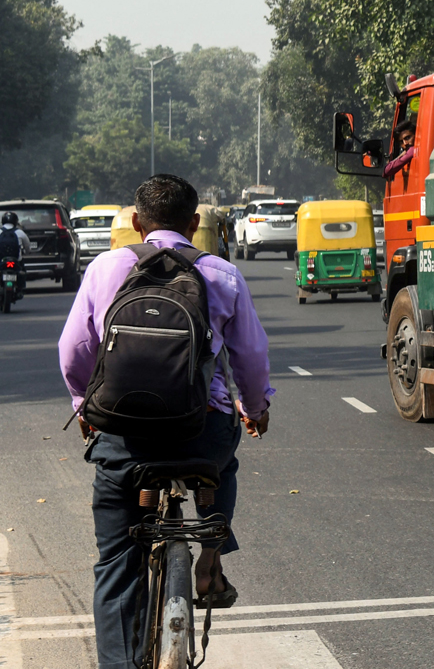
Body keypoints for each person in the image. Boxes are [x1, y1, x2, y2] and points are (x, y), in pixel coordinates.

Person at [58, 174, 274, 669]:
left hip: (123, 438)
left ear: (136, 223)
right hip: (202, 434)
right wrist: (255, 409)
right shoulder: (222, 274)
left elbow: (72, 352)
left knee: (116, 564)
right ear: (194, 224)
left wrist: (82, 406)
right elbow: (252, 360)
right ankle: (210, 559)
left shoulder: (106, 268)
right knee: (225, 460)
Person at [0, 211, 31, 295]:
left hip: (0, 261)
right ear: (15, 221)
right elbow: (28, 247)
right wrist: (27, 252)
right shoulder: (20, 232)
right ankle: (20, 289)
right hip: (16, 261)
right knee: (22, 270)